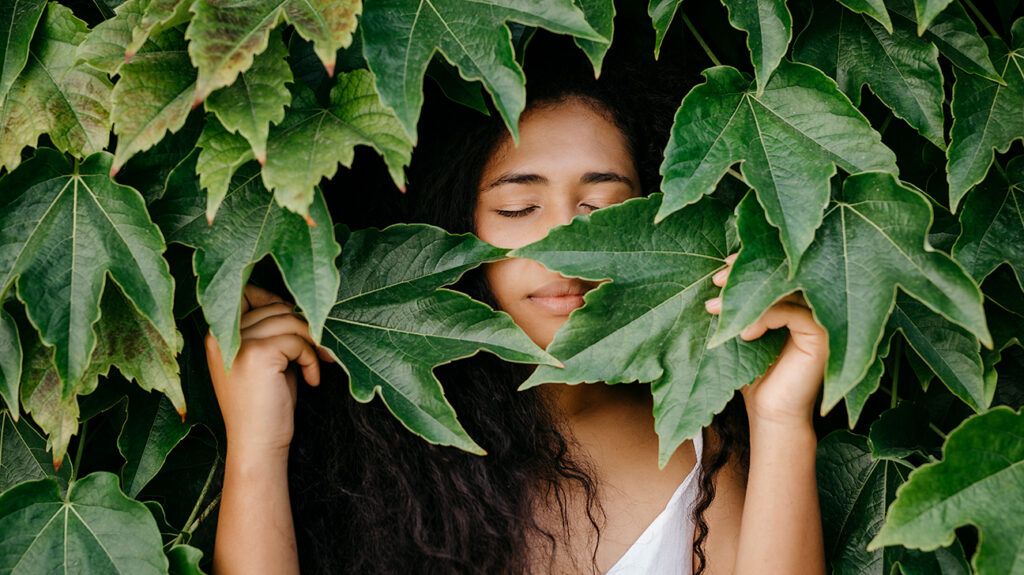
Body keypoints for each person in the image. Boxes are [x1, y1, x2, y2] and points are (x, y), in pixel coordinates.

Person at [205, 49, 828, 575]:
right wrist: (257, 443)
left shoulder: (701, 441)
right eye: (517, 210)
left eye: (605, 208)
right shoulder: (375, 442)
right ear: (448, 226)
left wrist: (779, 420)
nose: (564, 244)